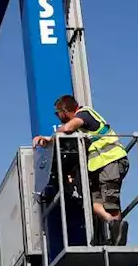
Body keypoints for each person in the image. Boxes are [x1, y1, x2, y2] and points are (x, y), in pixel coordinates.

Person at [33, 94, 130, 245]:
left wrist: (49, 140)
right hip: (99, 167)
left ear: (64, 111)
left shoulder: (84, 114)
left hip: (111, 159)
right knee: (94, 204)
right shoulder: (82, 128)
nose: (57, 117)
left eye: (57, 113)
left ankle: (118, 241)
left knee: (110, 202)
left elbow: (68, 128)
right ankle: (113, 225)